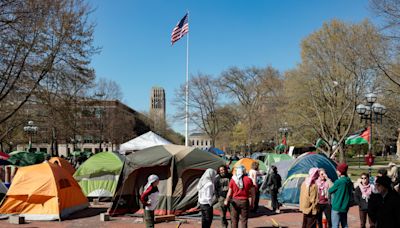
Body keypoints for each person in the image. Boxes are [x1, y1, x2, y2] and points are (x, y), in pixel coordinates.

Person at [328, 163, 353, 228]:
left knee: (335, 225)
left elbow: (330, 190)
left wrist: (329, 182)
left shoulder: (338, 182)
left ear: (340, 172)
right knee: (344, 224)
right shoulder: (349, 181)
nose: (336, 171)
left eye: (337, 170)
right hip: (345, 207)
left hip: (336, 206)